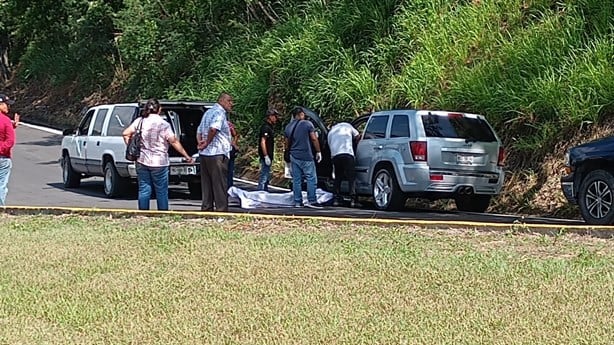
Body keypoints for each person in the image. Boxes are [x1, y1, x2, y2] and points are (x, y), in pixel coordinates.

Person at [122, 98, 194, 211]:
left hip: (142, 160)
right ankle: (162, 213)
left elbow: (125, 133)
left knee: (144, 189)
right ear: (159, 110)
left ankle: (143, 213)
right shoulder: (164, 124)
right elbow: (173, 141)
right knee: (161, 191)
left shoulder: (140, 121)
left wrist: (131, 147)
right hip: (160, 162)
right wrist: (186, 156)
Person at [196, 92, 233, 212]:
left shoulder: (208, 112)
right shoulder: (219, 113)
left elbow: (199, 130)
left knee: (207, 184)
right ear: (221, 101)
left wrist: (200, 143)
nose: (231, 104)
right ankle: (221, 209)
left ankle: (207, 208)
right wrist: (206, 142)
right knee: (219, 184)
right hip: (217, 152)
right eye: (229, 101)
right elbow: (213, 129)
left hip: (205, 154)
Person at [284, 106, 323, 208]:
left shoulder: (288, 127)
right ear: (301, 114)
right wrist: (318, 151)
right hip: (306, 155)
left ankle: (297, 201)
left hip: (293, 155)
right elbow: (314, 139)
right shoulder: (307, 124)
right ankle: (312, 200)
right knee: (311, 178)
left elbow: (287, 144)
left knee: (297, 180)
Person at [327, 121, 361, 207]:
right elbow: (358, 137)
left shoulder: (331, 132)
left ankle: (336, 199)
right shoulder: (348, 126)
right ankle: (353, 200)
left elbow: (329, 145)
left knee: (338, 177)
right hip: (347, 154)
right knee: (351, 178)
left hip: (335, 156)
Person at [257, 108, 280, 191]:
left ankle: (265, 191)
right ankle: (260, 192)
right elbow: (263, 142)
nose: (276, 118)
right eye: (275, 116)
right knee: (264, 175)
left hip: (269, 154)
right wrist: (266, 155)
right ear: (270, 116)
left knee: (266, 175)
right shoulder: (266, 127)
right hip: (266, 155)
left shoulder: (270, 127)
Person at [0, 94, 16, 206]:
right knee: (1, 185)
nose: (8, 107)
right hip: (3, 158)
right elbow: (10, 141)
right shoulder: (5, 121)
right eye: (6, 104)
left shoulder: (7, 122)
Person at [227, 119, 239, 188]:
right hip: (221, 151)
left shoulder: (228, 124)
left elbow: (235, 134)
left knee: (229, 170)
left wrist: (233, 144)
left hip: (229, 150)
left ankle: (229, 187)